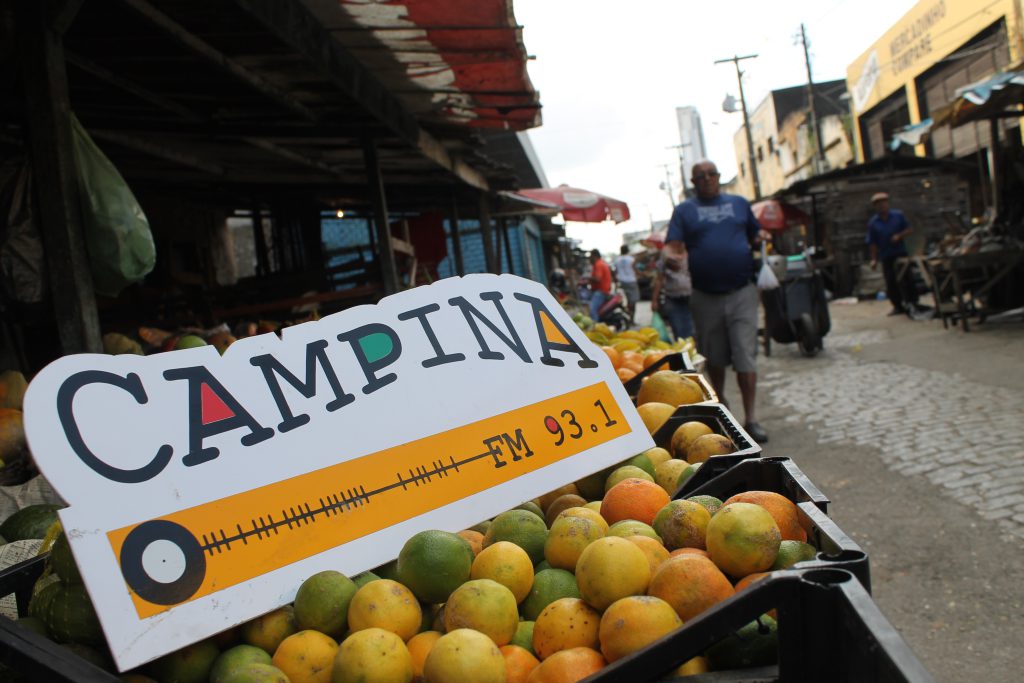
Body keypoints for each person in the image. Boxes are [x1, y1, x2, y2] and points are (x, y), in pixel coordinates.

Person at [664, 160, 770, 444]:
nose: (708, 179)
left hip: (742, 292)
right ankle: (724, 408)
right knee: (714, 357)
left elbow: (755, 233)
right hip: (705, 296)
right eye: (701, 176)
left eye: (712, 174)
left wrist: (762, 236)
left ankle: (751, 418)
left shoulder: (739, 204)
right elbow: (672, 246)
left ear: (719, 177)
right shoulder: (684, 210)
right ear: (693, 182)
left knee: (745, 354)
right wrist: (670, 258)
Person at [866, 192, 918, 316]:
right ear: (875, 207)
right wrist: (874, 259)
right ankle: (897, 306)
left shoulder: (898, 215)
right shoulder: (873, 223)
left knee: (907, 278)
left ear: (887, 203)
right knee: (891, 281)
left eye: (883, 203)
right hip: (886, 255)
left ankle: (913, 302)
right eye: (878, 204)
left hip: (900, 253)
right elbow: (872, 243)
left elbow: (910, 229)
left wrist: (899, 236)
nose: (881, 206)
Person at [650, 246, 694, 340]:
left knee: (691, 329)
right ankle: (682, 347)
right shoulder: (664, 258)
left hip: (691, 297)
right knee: (678, 329)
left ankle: (691, 346)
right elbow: (659, 280)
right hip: (672, 298)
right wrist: (654, 300)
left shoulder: (692, 253)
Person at [612, 245, 640, 323]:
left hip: (622, 282)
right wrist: (642, 274)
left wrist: (616, 282)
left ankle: (628, 315)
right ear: (628, 250)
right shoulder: (631, 259)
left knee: (627, 300)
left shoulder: (617, 260)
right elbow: (635, 269)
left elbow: (615, 272)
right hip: (631, 281)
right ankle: (631, 319)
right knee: (633, 301)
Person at [587, 249, 612, 322]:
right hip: (602, 291)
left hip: (601, 291)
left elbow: (598, 279)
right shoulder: (600, 263)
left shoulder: (598, 264)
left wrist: (588, 278)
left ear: (594, 256)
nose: (589, 259)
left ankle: (595, 325)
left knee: (592, 310)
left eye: (590, 256)